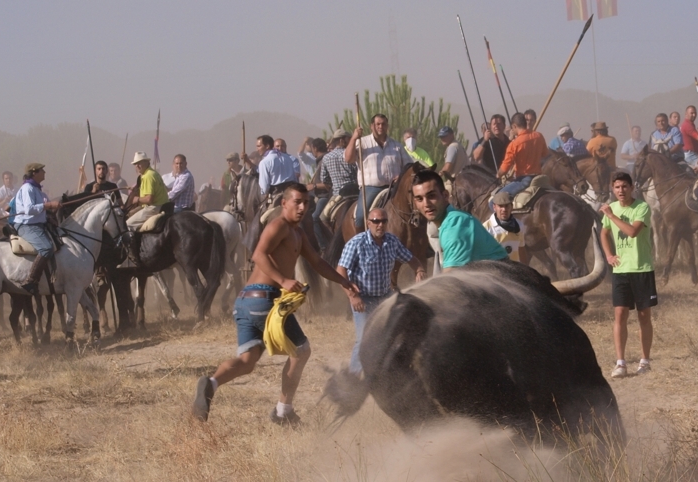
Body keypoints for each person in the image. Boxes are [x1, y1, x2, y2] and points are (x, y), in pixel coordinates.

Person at [194, 184, 359, 424]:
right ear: (284, 204)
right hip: (264, 299)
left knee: (247, 361)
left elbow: (317, 263)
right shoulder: (278, 226)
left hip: (246, 302)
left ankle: (211, 383)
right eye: (297, 202)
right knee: (301, 351)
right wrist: (283, 279)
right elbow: (258, 255)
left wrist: (343, 281)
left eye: (306, 203)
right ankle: (283, 412)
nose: (303, 208)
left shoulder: (298, 234)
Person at [336, 206, 424, 373]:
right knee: (364, 339)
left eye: (383, 221)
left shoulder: (392, 241)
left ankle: (389, 371)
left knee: (393, 333)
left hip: (385, 297)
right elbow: (340, 271)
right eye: (376, 221)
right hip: (363, 298)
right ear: (368, 223)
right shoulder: (356, 243)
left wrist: (419, 269)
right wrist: (352, 296)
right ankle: (355, 377)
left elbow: (411, 258)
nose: (380, 225)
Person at [599, 172, 655, 378]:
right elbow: (604, 232)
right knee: (620, 314)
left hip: (642, 268)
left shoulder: (641, 207)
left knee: (643, 316)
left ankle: (644, 361)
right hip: (621, 270)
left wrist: (611, 216)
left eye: (624, 187)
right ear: (612, 189)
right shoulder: (611, 209)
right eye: (617, 187)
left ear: (631, 188)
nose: (621, 191)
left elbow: (632, 232)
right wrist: (608, 255)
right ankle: (621, 363)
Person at [412, 168, 509, 269]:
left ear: (445, 196)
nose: (426, 204)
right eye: (419, 199)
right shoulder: (451, 221)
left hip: (503, 280)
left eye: (431, 196)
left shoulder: (455, 224)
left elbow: (451, 279)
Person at [345, 114, 408, 230]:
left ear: (387, 126)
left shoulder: (397, 146)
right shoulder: (362, 143)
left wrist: (401, 176)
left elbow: (408, 166)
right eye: (378, 124)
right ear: (372, 126)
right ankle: (361, 241)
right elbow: (348, 159)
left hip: (395, 187)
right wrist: (354, 138)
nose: (381, 127)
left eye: (383, 124)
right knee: (360, 217)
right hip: (371, 188)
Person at [11, 163, 62, 295]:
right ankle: (31, 280)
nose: (44, 172)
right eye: (42, 170)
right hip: (27, 225)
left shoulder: (37, 189)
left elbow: (40, 210)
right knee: (46, 248)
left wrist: (50, 212)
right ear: (34, 173)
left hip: (38, 224)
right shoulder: (28, 188)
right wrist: (48, 205)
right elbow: (29, 209)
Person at [313, 129, 359, 249]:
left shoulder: (327, 158)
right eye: (349, 139)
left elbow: (325, 180)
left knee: (320, 219)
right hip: (357, 192)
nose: (351, 141)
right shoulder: (353, 154)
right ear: (343, 140)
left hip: (338, 195)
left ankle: (328, 245)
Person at [498, 113, 548, 198]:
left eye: (512, 128)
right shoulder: (539, 136)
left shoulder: (514, 144)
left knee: (496, 199)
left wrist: (498, 175)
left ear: (514, 126)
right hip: (539, 178)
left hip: (524, 179)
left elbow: (504, 169)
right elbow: (544, 154)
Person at [124, 151, 170, 229]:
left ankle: (132, 241)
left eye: (139, 163)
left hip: (154, 208)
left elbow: (149, 199)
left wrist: (137, 199)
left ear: (147, 162)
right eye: (135, 164)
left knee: (127, 225)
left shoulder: (147, 176)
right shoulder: (154, 173)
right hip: (164, 206)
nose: (137, 166)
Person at [483, 190, 529, 263]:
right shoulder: (486, 228)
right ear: (494, 207)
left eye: (507, 206)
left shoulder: (519, 225)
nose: (504, 209)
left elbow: (521, 249)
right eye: (500, 206)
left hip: (515, 271)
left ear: (512, 206)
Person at [255, 134, 299, 201]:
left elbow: (264, 187)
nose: (257, 149)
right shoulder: (287, 158)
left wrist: (263, 194)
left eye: (259, 146)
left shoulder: (264, 162)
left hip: (276, 195)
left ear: (267, 146)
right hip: (292, 192)